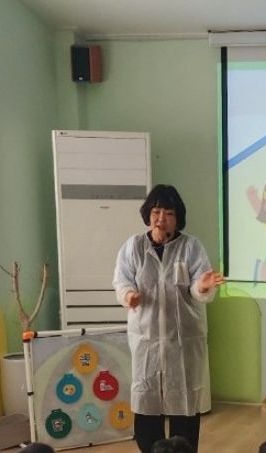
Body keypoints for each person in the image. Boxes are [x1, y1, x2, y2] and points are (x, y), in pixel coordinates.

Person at [113, 184, 224, 453]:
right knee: (147, 408)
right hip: (147, 341)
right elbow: (121, 279)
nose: (162, 218)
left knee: (184, 407)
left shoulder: (191, 247)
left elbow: (198, 287)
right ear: (148, 215)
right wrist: (129, 295)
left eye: (169, 213)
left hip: (183, 341)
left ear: (178, 218)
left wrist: (203, 286)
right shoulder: (134, 247)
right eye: (156, 212)